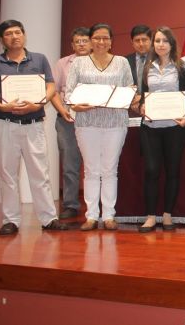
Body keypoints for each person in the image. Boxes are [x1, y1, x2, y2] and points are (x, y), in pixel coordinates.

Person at [0, 20, 69, 235]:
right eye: (9, 34)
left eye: (18, 32)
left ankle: (49, 219)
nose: (14, 37)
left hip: (34, 125)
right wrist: (4, 105)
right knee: (7, 174)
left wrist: (39, 103)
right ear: (2, 39)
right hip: (4, 124)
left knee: (40, 173)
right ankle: (11, 220)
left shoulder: (38, 59)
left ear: (24, 35)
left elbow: (50, 86)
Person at [67, 23, 133, 231]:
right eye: (96, 38)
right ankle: (92, 216)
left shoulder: (122, 62)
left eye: (105, 38)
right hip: (87, 123)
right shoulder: (78, 63)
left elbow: (130, 89)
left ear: (112, 41)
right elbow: (69, 93)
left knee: (110, 169)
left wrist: (125, 98)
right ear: (90, 40)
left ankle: (109, 216)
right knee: (91, 170)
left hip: (115, 122)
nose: (101, 42)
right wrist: (74, 105)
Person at [138, 27, 185, 232]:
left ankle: (167, 215)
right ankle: (150, 216)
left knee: (173, 171)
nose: (160, 44)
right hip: (150, 127)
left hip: (175, 128)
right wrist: (141, 107)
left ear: (172, 44)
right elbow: (142, 97)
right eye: (157, 41)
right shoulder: (147, 68)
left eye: (164, 41)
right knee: (151, 170)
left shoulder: (184, 67)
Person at [52, 26, 91, 220]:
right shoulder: (62, 64)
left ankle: (98, 205)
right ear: (72, 44)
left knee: (97, 165)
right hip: (67, 120)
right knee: (70, 164)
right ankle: (70, 204)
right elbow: (53, 91)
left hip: (93, 120)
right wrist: (62, 111)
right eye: (78, 41)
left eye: (85, 40)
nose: (82, 44)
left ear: (92, 43)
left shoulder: (100, 63)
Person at [126, 25, 152, 93]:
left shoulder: (158, 59)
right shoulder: (125, 61)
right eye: (137, 40)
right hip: (132, 102)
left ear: (151, 40)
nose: (141, 44)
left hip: (152, 101)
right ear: (132, 42)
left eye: (144, 40)